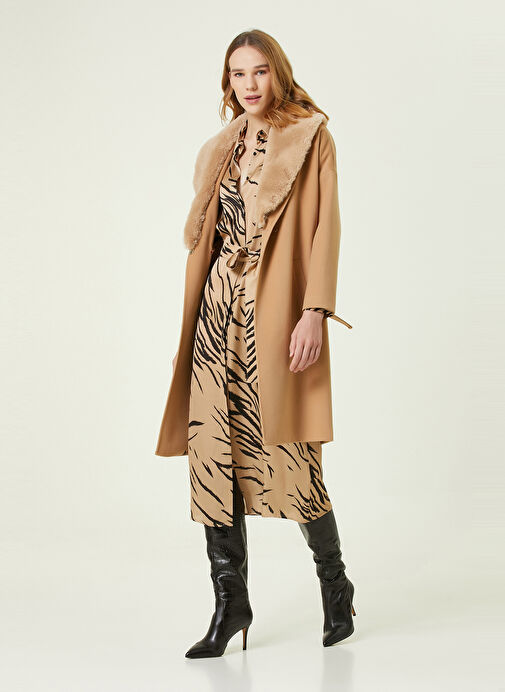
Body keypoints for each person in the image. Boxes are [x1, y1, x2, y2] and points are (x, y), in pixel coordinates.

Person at [155, 29, 356, 658]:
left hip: (273, 312)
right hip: (217, 316)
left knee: (292, 455)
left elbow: (325, 227)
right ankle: (229, 604)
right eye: (238, 73)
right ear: (227, 81)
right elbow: (209, 242)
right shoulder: (220, 148)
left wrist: (314, 311)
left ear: (279, 73)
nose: (249, 84)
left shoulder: (311, 136)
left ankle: (335, 586)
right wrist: (190, 332)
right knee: (211, 454)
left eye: (260, 71)